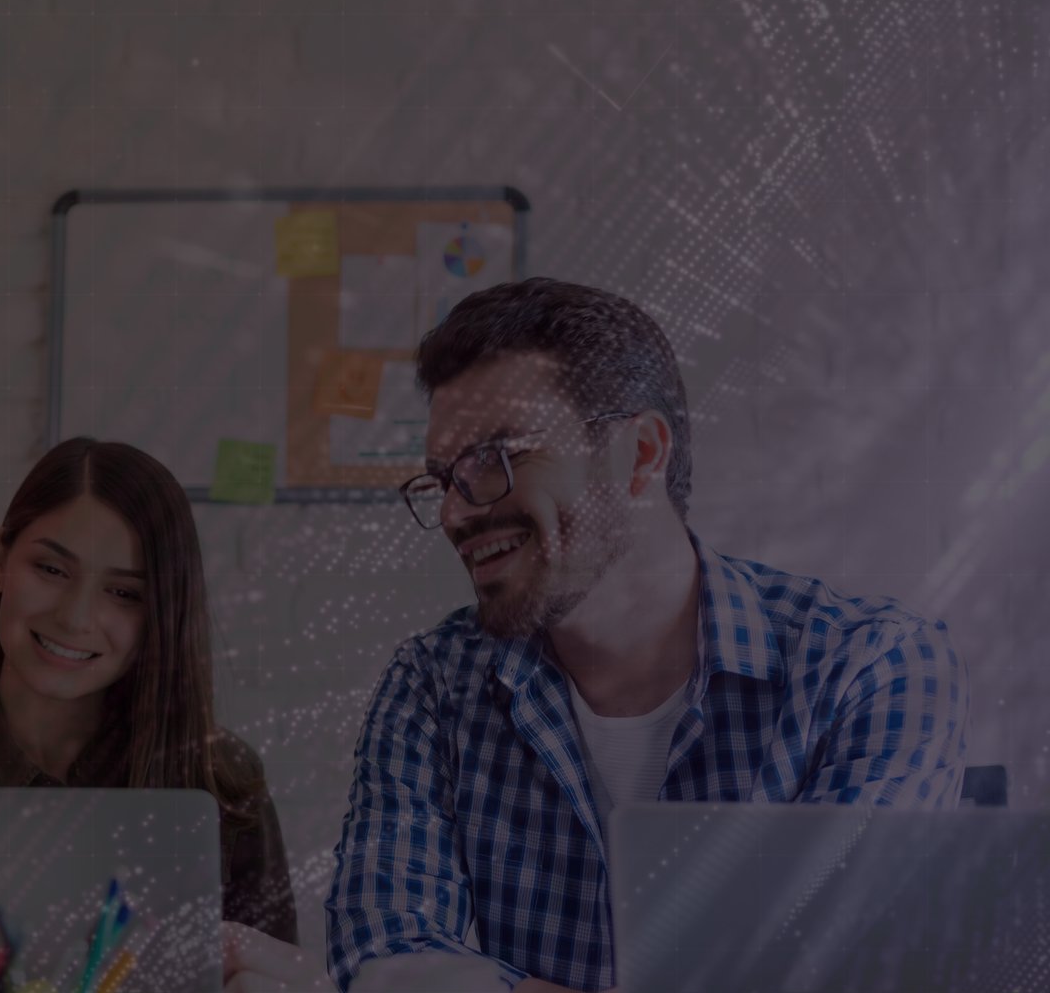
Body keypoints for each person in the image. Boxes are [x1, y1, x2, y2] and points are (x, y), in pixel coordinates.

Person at [230, 277, 969, 993]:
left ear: (641, 454)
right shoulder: (433, 682)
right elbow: (387, 952)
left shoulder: (870, 668)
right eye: (443, 478)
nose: (455, 514)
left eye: (494, 461)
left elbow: (861, 971)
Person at [0, 437, 300, 943]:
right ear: (1, 560)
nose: (74, 617)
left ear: (161, 611)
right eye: (51, 570)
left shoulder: (220, 778)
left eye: (123, 593)